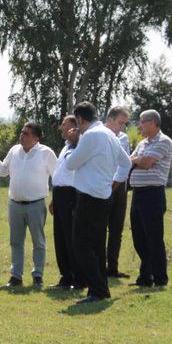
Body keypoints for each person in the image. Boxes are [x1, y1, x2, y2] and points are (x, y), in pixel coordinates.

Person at [65, 102, 131, 304]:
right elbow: (126, 163)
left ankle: (97, 289)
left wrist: (74, 143)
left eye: (77, 122)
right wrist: (115, 183)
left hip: (89, 198)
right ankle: (101, 288)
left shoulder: (91, 135)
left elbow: (70, 163)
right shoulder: (110, 134)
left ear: (82, 120)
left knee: (81, 245)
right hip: (103, 197)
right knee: (97, 246)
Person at [0, 122, 57, 287]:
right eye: (21, 132)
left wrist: (56, 199)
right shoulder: (14, 150)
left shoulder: (46, 153)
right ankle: (16, 276)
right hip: (15, 204)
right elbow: (3, 171)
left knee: (38, 241)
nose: (21, 135)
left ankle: (38, 276)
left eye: (26, 133)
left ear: (36, 138)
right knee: (16, 241)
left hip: (36, 204)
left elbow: (58, 176)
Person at [129, 109, 172, 287]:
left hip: (153, 194)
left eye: (142, 121)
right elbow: (130, 160)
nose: (139, 125)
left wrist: (137, 160)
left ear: (153, 122)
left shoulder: (164, 141)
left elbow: (146, 163)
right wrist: (138, 160)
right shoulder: (142, 144)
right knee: (139, 238)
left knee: (154, 237)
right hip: (138, 194)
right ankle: (145, 276)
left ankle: (160, 278)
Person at [49, 115, 81, 289]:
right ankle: (66, 276)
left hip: (72, 194)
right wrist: (55, 197)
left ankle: (77, 276)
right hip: (60, 194)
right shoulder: (66, 146)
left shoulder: (81, 146)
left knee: (71, 237)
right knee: (60, 237)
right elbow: (60, 174)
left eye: (64, 125)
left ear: (75, 127)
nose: (61, 128)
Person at [101, 106, 131, 279]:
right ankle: (99, 265)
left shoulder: (123, 138)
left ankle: (112, 267)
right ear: (110, 120)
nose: (122, 127)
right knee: (99, 227)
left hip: (119, 187)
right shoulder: (96, 135)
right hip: (101, 185)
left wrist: (117, 183)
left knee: (116, 228)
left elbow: (124, 162)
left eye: (124, 124)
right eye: (120, 122)